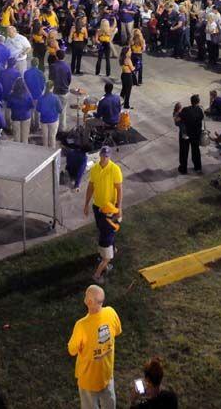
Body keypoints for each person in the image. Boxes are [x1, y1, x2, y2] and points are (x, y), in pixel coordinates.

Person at [67, 284, 121, 409]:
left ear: (89, 301)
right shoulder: (111, 312)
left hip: (88, 379)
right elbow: (117, 331)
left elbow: (72, 350)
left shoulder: (81, 325)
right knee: (109, 403)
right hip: (107, 374)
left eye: (86, 295)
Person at [84, 146, 124, 279]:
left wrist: (119, 208)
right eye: (103, 155)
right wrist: (86, 204)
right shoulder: (95, 169)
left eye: (107, 156)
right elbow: (91, 186)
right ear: (100, 155)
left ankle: (109, 249)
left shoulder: (115, 169)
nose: (104, 158)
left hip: (109, 208)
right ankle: (108, 250)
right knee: (105, 229)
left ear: (110, 156)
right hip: (97, 207)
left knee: (108, 229)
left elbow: (119, 189)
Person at [177, 94, 204, 175]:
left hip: (186, 134)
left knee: (184, 152)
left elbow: (178, 118)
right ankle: (198, 167)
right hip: (196, 135)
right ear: (198, 102)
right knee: (196, 151)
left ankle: (183, 168)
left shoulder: (185, 110)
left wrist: (178, 110)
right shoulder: (200, 111)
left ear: (191, 101)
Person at [36, 81, 63, 147]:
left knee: (45, 137)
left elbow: (38, 109)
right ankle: (52, 153)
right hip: (53, 120)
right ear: (52, 87)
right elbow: (60, 110)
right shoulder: (56, 98)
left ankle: (45, 153)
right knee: (52, 137)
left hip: (44, 120)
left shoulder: (41, 98)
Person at [8, 77, 34, 143]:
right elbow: (31, 106)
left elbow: (9, 106)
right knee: (25, 138)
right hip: (26, 117)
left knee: (16, 138)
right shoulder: (28, 95)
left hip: (15, 117)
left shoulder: (11, 95)